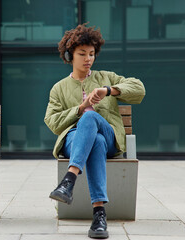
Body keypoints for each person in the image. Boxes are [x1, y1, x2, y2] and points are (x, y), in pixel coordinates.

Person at [44, 24, 146, 239]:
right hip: (74, 140)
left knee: (93, 122)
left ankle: (69, 180)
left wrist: (109, 90)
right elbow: (53, 122)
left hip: (110, 139)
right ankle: (99, 214)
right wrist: (80, 108)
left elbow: (139, 89)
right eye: (82, 54)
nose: (88, 58)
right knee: (95, 140)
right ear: (70, 55)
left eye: (92, 54)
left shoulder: (105, 77)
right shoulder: (59, 88)